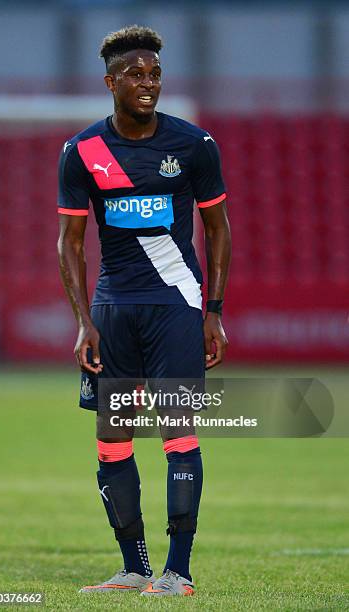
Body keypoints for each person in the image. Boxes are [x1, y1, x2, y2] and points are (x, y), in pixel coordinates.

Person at [57, 25, 231, 597]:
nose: (148, 82)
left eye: (155, 73)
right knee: (113, 440)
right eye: (135, 73)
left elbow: (218, 230)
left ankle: (177, 572)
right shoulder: (82, 151)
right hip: (114, 310)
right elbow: (70, 243)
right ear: (111, 82)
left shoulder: (194, 145)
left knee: (178, 434)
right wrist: (85, 320)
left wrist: (214, 311)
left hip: (177, 306)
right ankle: (134, 568)